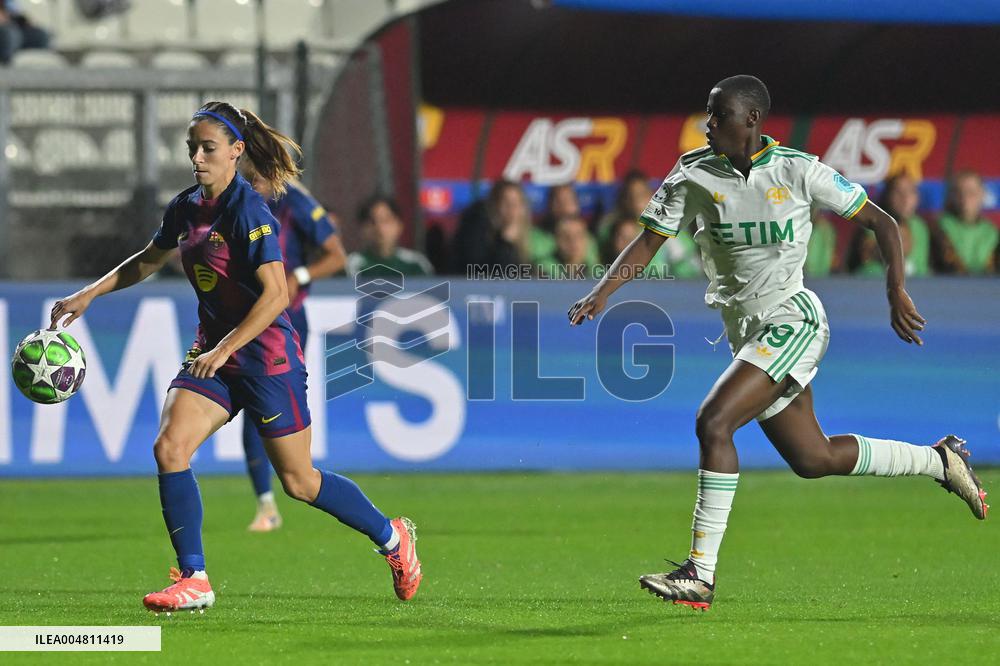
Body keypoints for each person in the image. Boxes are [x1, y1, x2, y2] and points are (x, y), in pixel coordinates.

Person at [569, 75, 988, 610]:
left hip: (794, 320)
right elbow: (651, 240)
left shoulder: (799, 169)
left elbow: (882, 224)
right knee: (813, 457)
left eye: (717, 116)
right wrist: (604, 292)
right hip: (747, 334)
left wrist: (895, 290)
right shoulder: (693, 173)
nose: (707, 124)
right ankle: (939, 460)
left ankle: (700, 574)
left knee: (714, 421)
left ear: (751, 120)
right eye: (707, 114)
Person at [50, 101, 423, 613]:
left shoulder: (249, 210)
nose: (197, 158)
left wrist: (227, 346)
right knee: (169, 447)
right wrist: (90, 293)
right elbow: (150, 259)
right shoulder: (185, 207)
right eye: (191, 149)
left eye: (207, 148)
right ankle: (194, 577)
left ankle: (392, 538)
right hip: (214, 355)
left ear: (236, 151)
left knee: (300, 482)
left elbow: (275, 296)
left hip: (267, 359)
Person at [238, 165, 348, 532]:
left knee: (269, 408)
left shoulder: (294, 202)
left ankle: (301, 481)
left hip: (285, 322)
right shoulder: (236, 200)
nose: (250, 182)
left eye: (255, 175)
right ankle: (266, 504)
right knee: (252, 407)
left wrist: (299, 276)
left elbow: (335, 255)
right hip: (241, 318)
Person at [347, 194, 434, 278]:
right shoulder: (352, 265)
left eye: (386, 221)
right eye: (372, 222)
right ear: (362, 229)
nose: (379, 228)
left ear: (399, 226)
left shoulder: (416, 263)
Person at [931, 171, 998, 274]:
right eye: (959, 192)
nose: (964, 199)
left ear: (982, 194)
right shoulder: (941, 227)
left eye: (971, 192)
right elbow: (948, 266)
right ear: (952, 196)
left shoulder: (992, 232)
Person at [879, 173, 930, 276]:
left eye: (911, 192)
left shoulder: (920, 227)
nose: (905, 199)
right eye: (898, 192)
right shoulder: (874, 224)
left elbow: (922, 270)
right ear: (887, 196)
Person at [0, 1, 50, 65]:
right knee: (8, 36)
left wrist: (25, 21)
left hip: (14, 24)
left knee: (41, 36)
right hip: (5, 29)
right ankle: (5, 65)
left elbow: (15, 12)